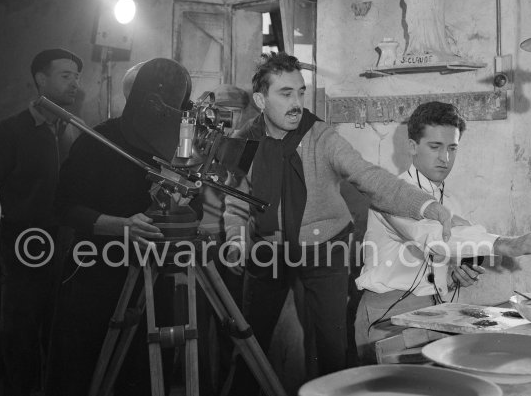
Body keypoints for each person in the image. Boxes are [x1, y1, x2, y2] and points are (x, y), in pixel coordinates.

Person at [223, 52, 455, 393]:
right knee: (249, 341)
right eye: (285, 93)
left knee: (331, 346)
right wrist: (236, 239)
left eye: (301, 92)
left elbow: (369, 177)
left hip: (327, 245)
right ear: (261, 99)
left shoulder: (321, 136)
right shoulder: (244, 140)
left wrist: (424, 204)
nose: (297, 102)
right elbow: (236, 201)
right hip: (268, 247)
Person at [47, 57, 194, 396]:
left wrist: (182, 206)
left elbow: (191, 204)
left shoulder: (177, 149)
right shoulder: (98, 141)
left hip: (152, 274)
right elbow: (64, 206)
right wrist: (120, 226)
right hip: (97, 271)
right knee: (85, 367)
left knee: (144, 369)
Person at [355, 101, 531, 364]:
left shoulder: (452, 200)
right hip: (386, 317)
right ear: (413, 146)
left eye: (452, 148)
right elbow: (431, 235)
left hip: (436, 312)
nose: (444, 158)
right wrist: (507, 245)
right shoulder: (391, 193)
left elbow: (454, 250)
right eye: (435, 147)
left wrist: (457, 274)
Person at [0, 47, 82, 396]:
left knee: (57, 337)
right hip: (21, 248)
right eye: (65, 75)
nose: (74, 84)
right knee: (19, 339)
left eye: (76, 77)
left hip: (64, 248)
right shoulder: (12, 131)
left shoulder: (73, 133)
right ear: (41, 79)